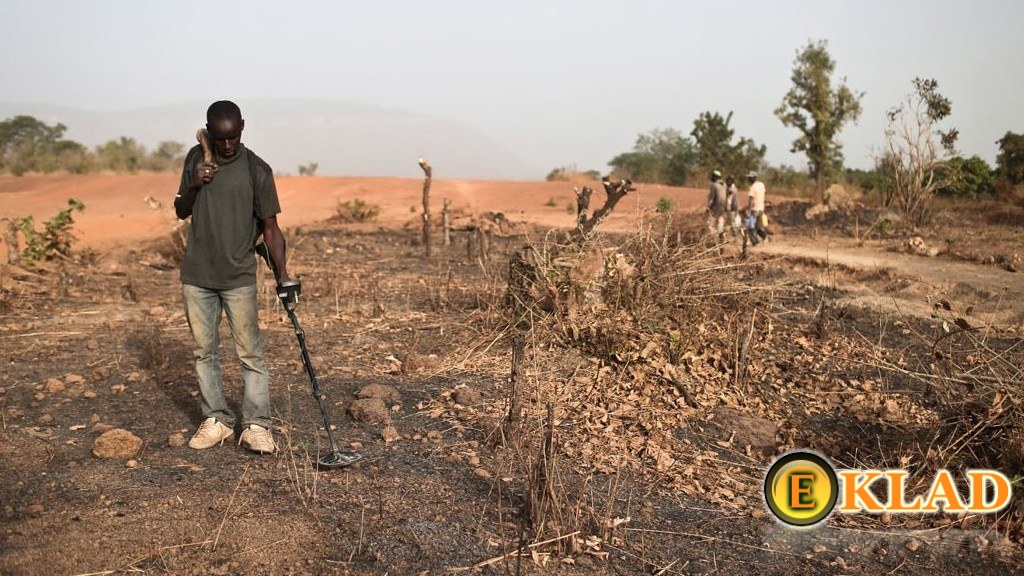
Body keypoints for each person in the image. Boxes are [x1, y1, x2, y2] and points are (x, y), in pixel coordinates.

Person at [173, 100, 287, 454]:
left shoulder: (257, 169)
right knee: (203, 352)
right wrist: (194, 183)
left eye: (233, 137)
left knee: (250, 355)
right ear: (208, 131)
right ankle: (217, 420)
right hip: (197, 275)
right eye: (220, 139)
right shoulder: (196, 157)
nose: (226, 146)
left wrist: (284, 276)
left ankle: (256, 425)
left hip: (238, 277)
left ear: (242, 128)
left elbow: (270, 227)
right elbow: (180, 209)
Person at [745, 170, 768, 245]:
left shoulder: (752, 187)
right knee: (757, 226)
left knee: (750, 227)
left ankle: (755, 242)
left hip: (754, 209)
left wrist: (748, 210)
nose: (748, 179)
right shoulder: (761, 185)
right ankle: (765, 237)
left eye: (749, 178)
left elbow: (751, 201)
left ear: (752, 178)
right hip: (761, 208)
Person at [706, 169, 728, 242]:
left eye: (712, 176)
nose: (711, 178)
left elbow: (711, 199)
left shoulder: (713, 185)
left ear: (715, 177)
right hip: (723, 209)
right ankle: (722, 235)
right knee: (720, 223)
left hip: (714, 208)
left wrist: (707, 208)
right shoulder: (724, 185)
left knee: (709, 224)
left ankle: (715, 237)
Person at [725, 175, 741, 240]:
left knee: (731, 224)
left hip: (731, 209)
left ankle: (735, 238)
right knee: (731, 223)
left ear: (731, 182)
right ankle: (734, 237)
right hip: (735, 208)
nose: (727, 183)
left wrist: (727, 209)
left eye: (728, 181)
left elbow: (729, 201)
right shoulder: (734, 188)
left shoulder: (731, 190)